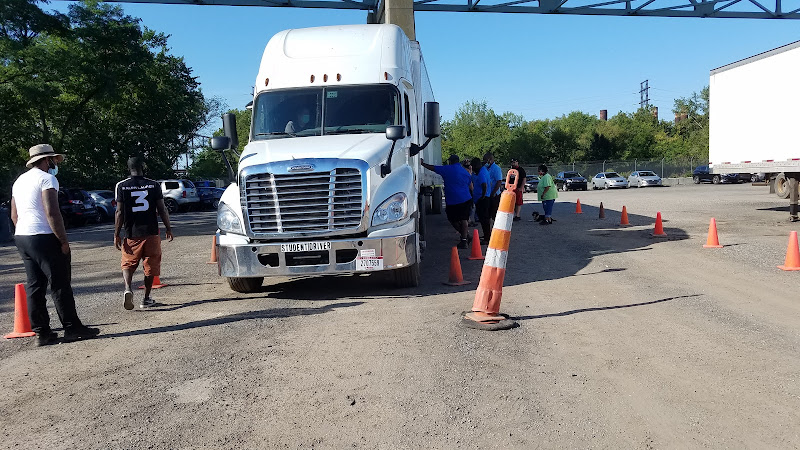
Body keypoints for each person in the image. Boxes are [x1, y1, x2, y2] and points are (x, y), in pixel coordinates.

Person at [10, 144, 100, 346]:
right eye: (53, 161)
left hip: (23, 236)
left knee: (35, 285)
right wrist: (63, 240)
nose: (54, 164)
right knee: (60, 284)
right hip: (44, 235)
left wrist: (24, 232)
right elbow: (52, 212)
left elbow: (14, 215)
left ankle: (42, 332)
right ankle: (72, 328)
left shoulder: (19, 181)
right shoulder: (47, 179)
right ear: (46, 160)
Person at [114, 157, 174, 309]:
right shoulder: (154, 185)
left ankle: (128, 288)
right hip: (151, 232)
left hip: (131, 233)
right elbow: (162, 209)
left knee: (128, 263)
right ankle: (146, 299)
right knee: (150, 265)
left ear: (128, 169)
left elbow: (119, 212)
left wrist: (116, 234)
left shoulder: (122, 186)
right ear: (143, 167)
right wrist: (168, 227)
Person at [421, 155, 473, 248]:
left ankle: (465, 237)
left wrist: (422, 163)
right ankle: (465, 238)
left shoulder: (447, 169)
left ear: (450, 161)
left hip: (453, 200)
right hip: (465, 198)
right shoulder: (465, 172)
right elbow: (470, 186)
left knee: (452, 219)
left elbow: (432, 168)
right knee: (464, 219)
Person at [471, 157, 492, 244]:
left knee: (484, 219)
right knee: (484, 219)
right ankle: (486, 235)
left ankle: (487, 238)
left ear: (476, 165)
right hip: (483, 198)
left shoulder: (481, 173)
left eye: (473, 166)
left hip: (483, 199)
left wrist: (482, 195)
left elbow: (484, 184)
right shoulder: (483, 171)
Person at [483, 152, 503, 224]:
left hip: (494, 194)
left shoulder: (496, 168)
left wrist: (493, 193)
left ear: (490, 159)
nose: (484, 162)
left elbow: (499, 182)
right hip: (487, 194)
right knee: (487, 213)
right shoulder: (485, 168)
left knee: (494, 213)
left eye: (485, 160)